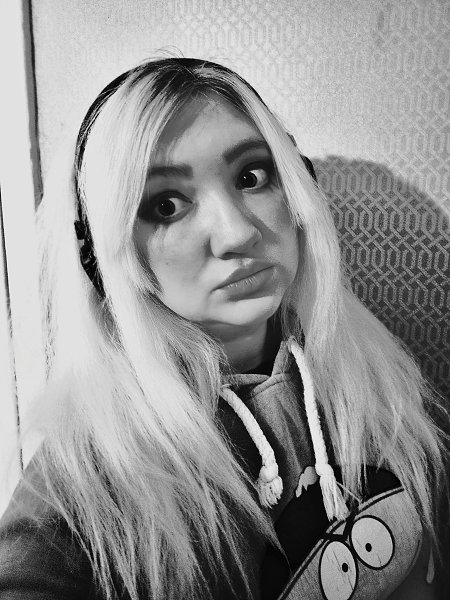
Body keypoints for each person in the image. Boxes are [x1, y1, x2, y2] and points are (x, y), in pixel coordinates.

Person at [0, 57, 447, 600]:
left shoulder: (374, 375)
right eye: (166, 205)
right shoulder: (93, 468)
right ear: (106, 260)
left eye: (251, 177)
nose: (236, 233)